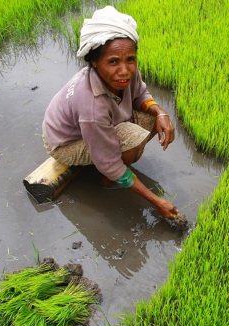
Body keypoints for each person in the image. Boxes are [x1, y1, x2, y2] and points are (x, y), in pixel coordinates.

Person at [42, 6, 180, 220]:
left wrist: (161, 113)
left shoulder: (125, 72)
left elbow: (140, 94)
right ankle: (109, 181)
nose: (124, 70)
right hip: (66, 143)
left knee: (153, 118)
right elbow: (109, 162)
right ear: (94, 62)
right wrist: (156, 201)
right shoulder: (92, 105)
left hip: (96, 126)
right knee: (130, 141)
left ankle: (119, 160)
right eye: (113, 61)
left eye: (130, 59)